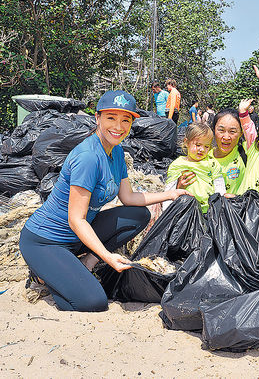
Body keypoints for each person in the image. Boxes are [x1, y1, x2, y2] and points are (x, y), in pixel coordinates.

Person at [19, 91, 189, 312]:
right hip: (46, 241)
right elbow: (76, 220)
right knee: (93, 302)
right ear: (97, 118)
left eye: (125, 120)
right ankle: (43, 275)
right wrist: (107, 256)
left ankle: (84, 262)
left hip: (76, 239)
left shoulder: (116, 151)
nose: (118, 126)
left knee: (139, 215)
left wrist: (171, 194)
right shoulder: (88, 157)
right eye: (111, 118)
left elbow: (129, 198)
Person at [165, 122, 225, 213]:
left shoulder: (211, 163)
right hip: (186, 211)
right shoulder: (177, 165)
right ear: (186, 142)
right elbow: (169, 190)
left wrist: (220, 206)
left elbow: (219, 184)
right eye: (198, 145)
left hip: (209, 211)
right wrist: (166, 212)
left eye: (206, 146)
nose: (202, 149)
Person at [211, 108, 247, 194]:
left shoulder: (246, 153)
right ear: (214, 130)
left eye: (232, 131)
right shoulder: (201, 156)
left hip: (239, 207)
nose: (226, 137)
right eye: (221, 130)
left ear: (241, 133)